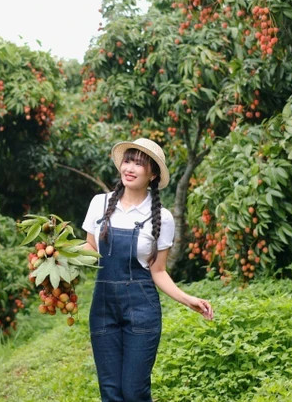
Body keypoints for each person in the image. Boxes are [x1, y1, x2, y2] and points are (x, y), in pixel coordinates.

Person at [80, 137, 213, 402]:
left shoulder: (162, 217)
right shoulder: (100, 203)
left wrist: (188, 300)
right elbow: (90, 248)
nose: (129, 168)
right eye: (127, 161)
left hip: (142, 311)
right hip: (103, 309)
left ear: (152, 174)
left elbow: (159, 270)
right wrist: (55, 257)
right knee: (110, 392)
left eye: (138, 164)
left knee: (134, 392)